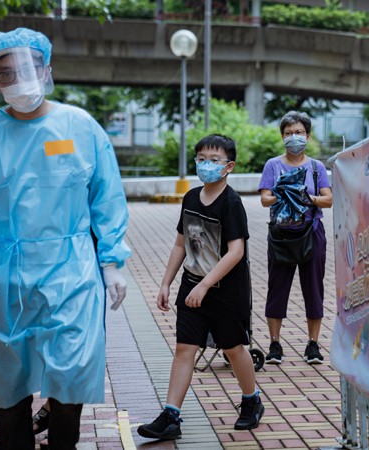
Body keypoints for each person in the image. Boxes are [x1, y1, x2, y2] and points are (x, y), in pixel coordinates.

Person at [0, 27, 131, 449]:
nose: (19, 80)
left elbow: (106, 197)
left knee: (71, 377)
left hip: (74, 271)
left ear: (47, 68)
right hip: (7, 275)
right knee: (9, 381)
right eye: (6, 73)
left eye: (27, 68)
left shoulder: (79, 126)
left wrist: (112, 262)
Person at [138, 134, 264, 440]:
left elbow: (236, 252)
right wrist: (166, 282)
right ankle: (171, 416)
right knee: (185, 348)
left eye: (214, 160)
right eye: (201, 159)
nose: (206, 165)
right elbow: (181, 243)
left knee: (234, 348)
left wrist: (206, 285)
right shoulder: (191, 198)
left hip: (225, 291)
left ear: (229, 166)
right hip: (191, 286)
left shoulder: (232, 203)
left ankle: (252, 401)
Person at [258, 111, 333, 365]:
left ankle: (313, 344)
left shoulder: (316, 167)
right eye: (289, 133)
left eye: (299, 133)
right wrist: (283, 194)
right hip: (280, 235)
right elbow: (264, 199)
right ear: (282, 137)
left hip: (311, 233)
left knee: (313, 288)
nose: (294, 137)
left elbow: (329, 199)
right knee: (277, 288)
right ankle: (275, 344)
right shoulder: (273, 165)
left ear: (308, 136)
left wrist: (306, 198)